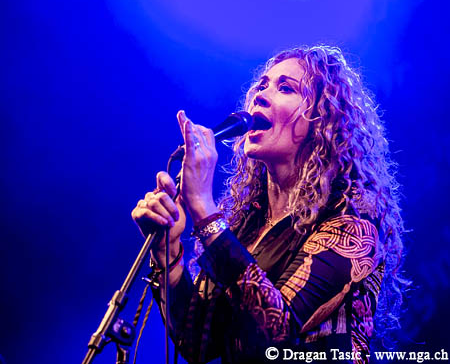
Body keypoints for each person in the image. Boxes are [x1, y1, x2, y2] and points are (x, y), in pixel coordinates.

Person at [132, 45, 407, 363]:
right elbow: (197, 345)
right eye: (261, 86)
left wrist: (204, 211)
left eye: (285, 88)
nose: (260, 95)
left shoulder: (351, 222)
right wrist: (168, 253)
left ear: (322, 120)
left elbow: (277, 333)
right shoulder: (246, 227)